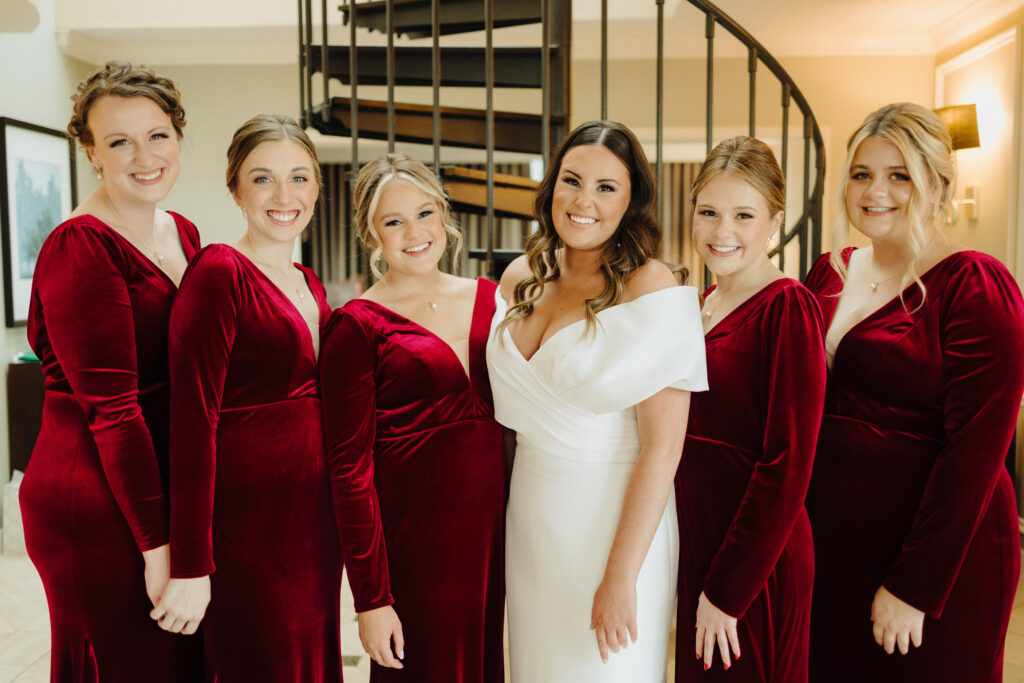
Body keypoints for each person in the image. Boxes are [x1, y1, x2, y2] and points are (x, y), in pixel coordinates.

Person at [804, 102, 1024, 683]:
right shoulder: (828, 273)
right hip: (833, 548)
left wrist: (914, 585)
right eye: (862, 174)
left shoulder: (975, 284)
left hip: (937, 561)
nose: (876, 191)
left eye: (899, 175)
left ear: (939, 185)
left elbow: (976, 453)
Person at [486, 120, 707, 681]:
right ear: (550, 188)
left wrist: (620, 576)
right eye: (571, 180)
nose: (584, 200)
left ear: (632, 201)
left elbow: (663, 449)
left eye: (607, 187)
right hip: (532, 520)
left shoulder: (652, 287)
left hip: (613, 525)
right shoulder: (521, 280)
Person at [20, 61, 203, 682]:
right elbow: (113, 410)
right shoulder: (81, 246)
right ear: (92, 152)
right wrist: (158, 548)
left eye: (157, 135)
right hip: (96, 500)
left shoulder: (181, 232)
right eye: (119, 141)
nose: (143, 155)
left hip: (157, 487)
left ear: (178, 137)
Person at [153, 114, 341, 681]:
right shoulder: (219, 271)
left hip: (314, 524)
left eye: (300, 178)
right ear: (235, 188)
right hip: (246, 529)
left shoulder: (310, 281)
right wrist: (191, 563)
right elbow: (191, 419)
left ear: (316, 187)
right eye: (263, 179)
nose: (285, 196)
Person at [320, 153, 505, 682]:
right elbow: (348, 471)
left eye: (424, 213)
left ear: (444, 216)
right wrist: (371, 599)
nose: (414, 232)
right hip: (414, 550)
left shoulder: (492, 300)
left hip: (492, 541)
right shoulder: (355, 327)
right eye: (393, 221)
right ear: (371, 234)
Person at [674, 136, 825, 681]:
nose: (722, 232)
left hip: (755, 561)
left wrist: (729, 588)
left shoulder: (787, 307)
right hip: (701, 543)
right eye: (708, 212)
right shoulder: (697, 306)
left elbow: (788, 463)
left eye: (743, 215)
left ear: (774, 222)